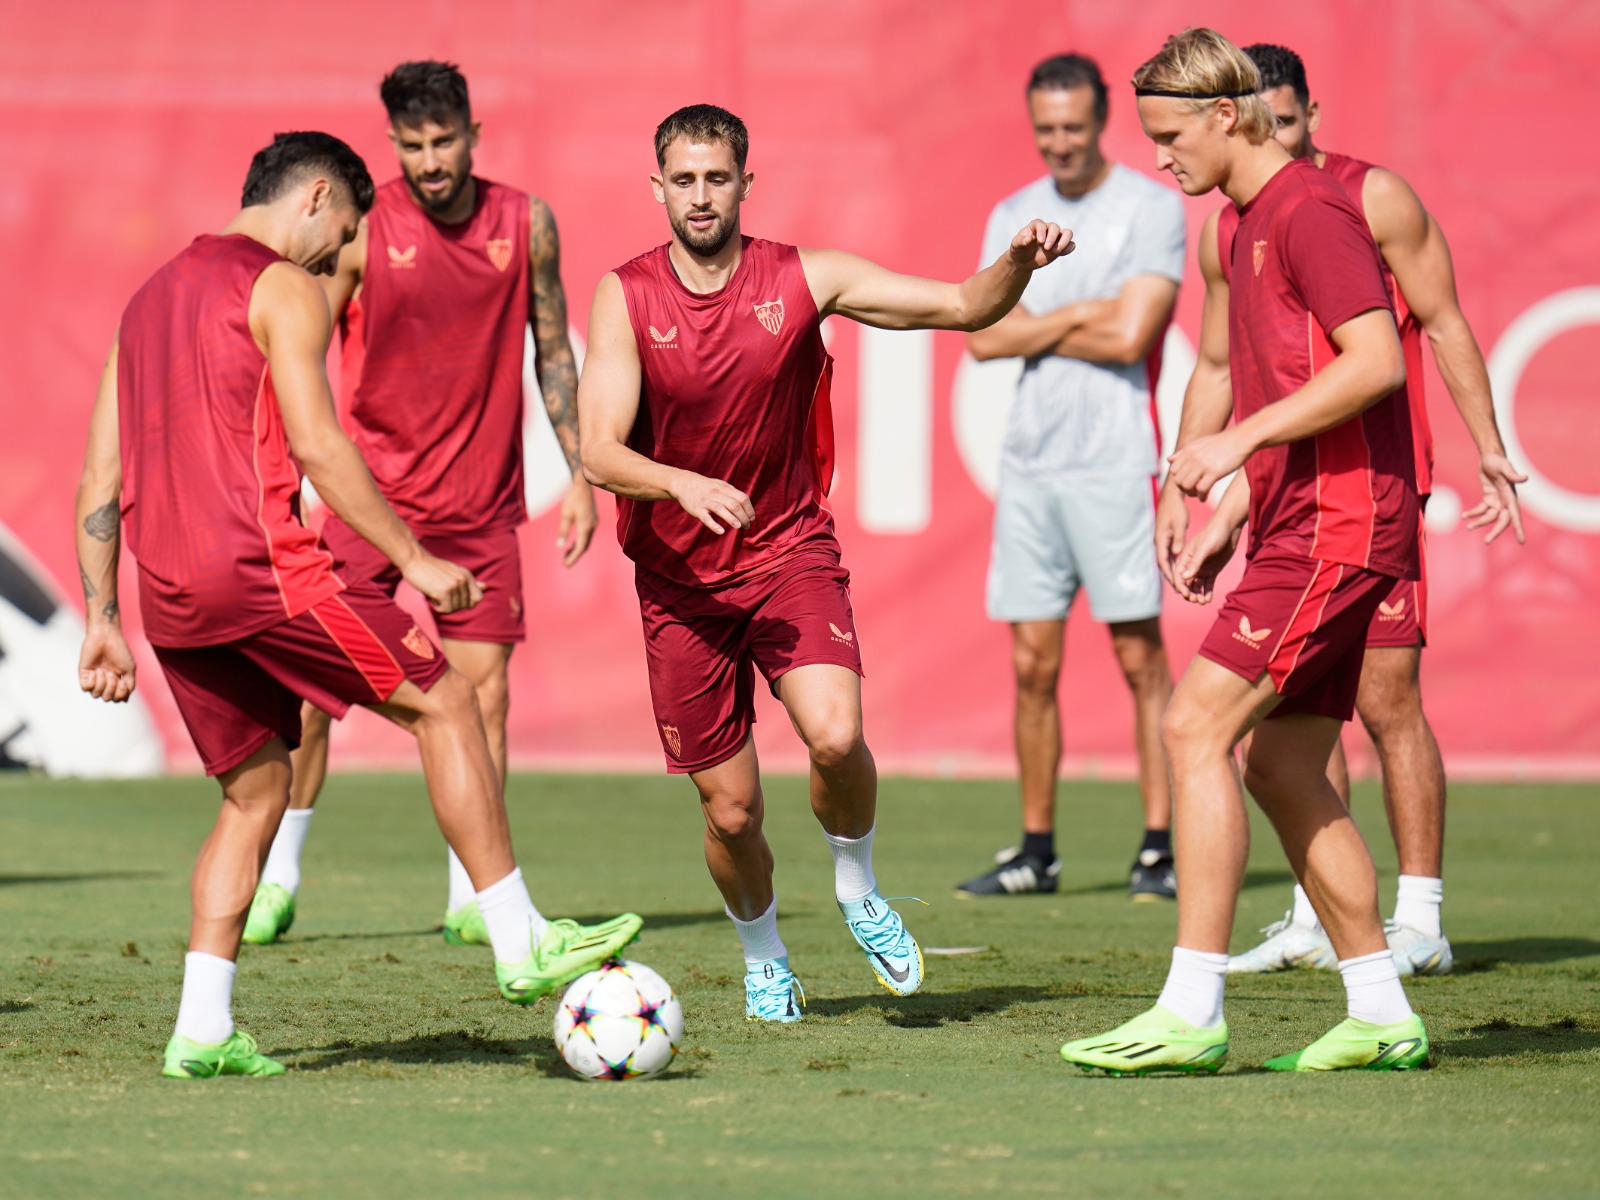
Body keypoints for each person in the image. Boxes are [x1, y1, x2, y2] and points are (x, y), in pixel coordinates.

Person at [74, 132, 639, 1079]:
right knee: (447, 699)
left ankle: (202, 1029)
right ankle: (517, 939)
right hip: (265, 575)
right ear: (318, 196)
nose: (342, 253)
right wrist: (412, 559)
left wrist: (102, 620)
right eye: (344, 230)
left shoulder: (144, 304)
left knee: (253, 794)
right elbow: (323, 450)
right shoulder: (279, 283)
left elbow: (100, 474)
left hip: (166, 600)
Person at [579, 104, 1072, 1021]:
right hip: (680, 588)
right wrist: (679, 483)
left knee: (837, 735)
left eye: (716, 179)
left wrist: (1020, 261)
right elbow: (598, 450)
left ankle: (857, 885)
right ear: (657, 188)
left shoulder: (803, 278)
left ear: (744, 185)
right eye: (682, 180)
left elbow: (964, 306)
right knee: (730, 814)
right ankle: (764, 952)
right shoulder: (626, 294)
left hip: (786, 550)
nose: (699, 196)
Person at [1061, 29, 1428, 1075]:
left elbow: (1374, 367)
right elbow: (1242, 371)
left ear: (1226, 116)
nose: (1159, 157)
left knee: (1190, 727)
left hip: (1342, 524)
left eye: (1170, 136)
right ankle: (1379, 1007)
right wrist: (1220, 496)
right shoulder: (1238, 224)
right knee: (1274, 762)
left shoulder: (1311, 210)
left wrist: (1236, 448)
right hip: (1302, 519)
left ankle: (1189, 1006)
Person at [243, 61, 596, 948]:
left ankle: (472, 896)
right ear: (394, 144)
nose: (432, 160)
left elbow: (554, 351)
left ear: (474, 134)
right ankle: (278, 876)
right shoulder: (363, 234)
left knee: (483, 702)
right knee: (314, 694)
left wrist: (584, 476)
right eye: (414, 145)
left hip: (479, 508)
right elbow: (297, 349)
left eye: (445, 141)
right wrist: (293, 474)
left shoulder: (527, 223)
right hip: (372, 503)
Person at [1221, 42, 1525, 977]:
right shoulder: (1233, 220)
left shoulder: (1368, 197)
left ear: (1310, 111)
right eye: (1260, 120)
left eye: (1290, 118)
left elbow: (1440, 321)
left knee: (1384, 698)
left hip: (1370, 489)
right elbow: (1211, 363)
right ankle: (1322, 919)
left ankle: (1422, 919)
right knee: (1296, 712)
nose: (1277, 136)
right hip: (1282, 494)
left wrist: (1489, 447)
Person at [958, 53, 1183, 902]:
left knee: (1137, 657)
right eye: (1046, 128)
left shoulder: (1150, 209)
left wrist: (1044, 321)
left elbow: (1134, 337)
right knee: (1031, 664)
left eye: (1074, 127)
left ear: (1100, 123)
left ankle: (1159, 844)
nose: (1060, 143)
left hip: (1117, 457)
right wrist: (1091, 310)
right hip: (1031, 463)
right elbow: (981, 334)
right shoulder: (1014, 213)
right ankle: (1036, 850)